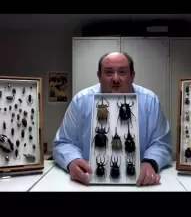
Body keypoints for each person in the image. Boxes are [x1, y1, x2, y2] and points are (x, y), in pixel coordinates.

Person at [53, 52, 172, 186]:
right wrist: (72, 161)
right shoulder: (80, 101)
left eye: (122, 72)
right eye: (108, 72)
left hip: (139, 182)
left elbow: (161, 143)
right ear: (99, 76)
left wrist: (151, 162)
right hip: (88, 180)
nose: (115, 79)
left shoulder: (150, 101)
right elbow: (63, 142)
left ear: (132, 75)